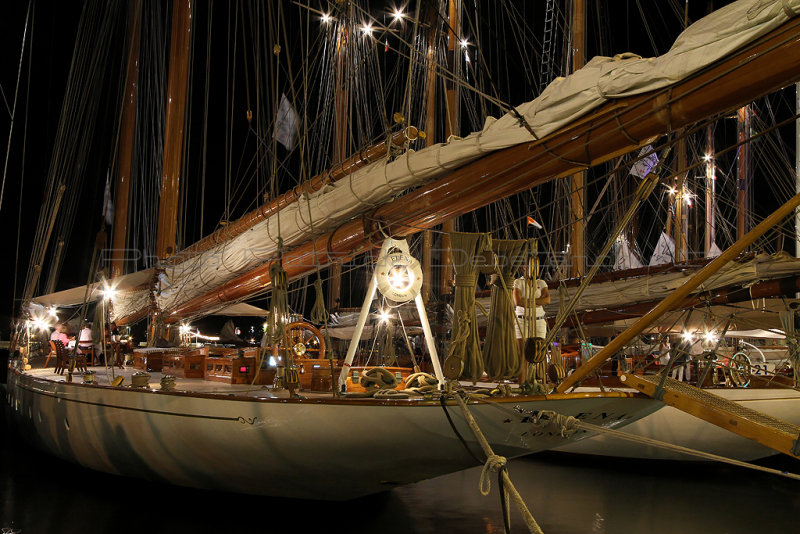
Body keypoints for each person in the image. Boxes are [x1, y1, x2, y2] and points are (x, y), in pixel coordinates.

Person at [512, 266, 550, 359]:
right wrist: (538, 302)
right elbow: (518, 302)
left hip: (539, 321)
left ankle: (541, 373)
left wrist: (527, 302)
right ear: (525, 267)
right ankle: (523, 374)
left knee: (540, 356)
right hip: (522, 321)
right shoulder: (518, 282)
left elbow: (547, 300)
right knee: (522, 356)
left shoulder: (541, 282)